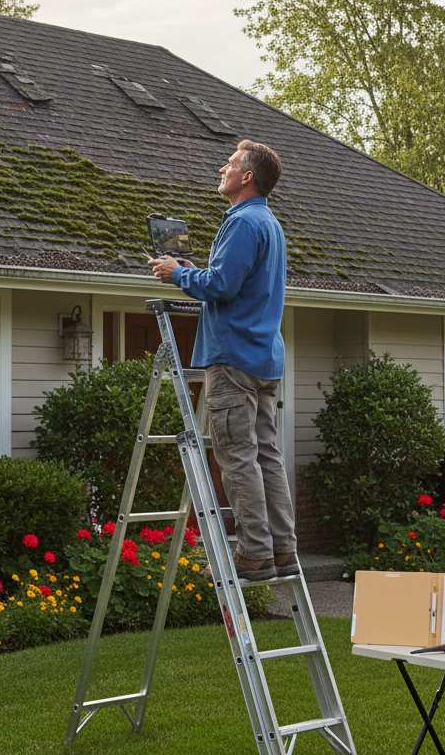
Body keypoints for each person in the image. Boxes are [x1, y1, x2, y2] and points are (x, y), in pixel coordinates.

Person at [149, 139, 296, 581]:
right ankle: (283, 550)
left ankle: (254, 555)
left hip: (232, 357)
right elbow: (230, 279)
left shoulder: (242, 222)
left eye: (230, 164)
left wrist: (177, 274)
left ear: (247, 177)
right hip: (262, 357)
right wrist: (198, 271)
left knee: (238, 458)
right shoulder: (268, 223)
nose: (222, 169)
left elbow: (223, 287)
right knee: (267, 456)